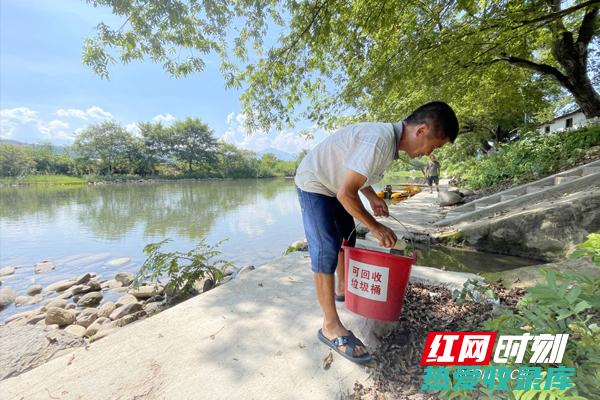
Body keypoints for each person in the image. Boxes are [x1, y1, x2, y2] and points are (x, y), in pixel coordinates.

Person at [295, 101, 459, 364]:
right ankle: (330, 325)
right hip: (314, 181)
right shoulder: (380, 141)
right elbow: (345, 193)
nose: (430, 153)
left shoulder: (389, 144)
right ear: (422, 130)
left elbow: (359, 174)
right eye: (435, 146)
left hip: (335, 183)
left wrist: (371, 197)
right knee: (326, 246)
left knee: (346, 236)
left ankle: (341, 289)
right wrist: (375, 225)